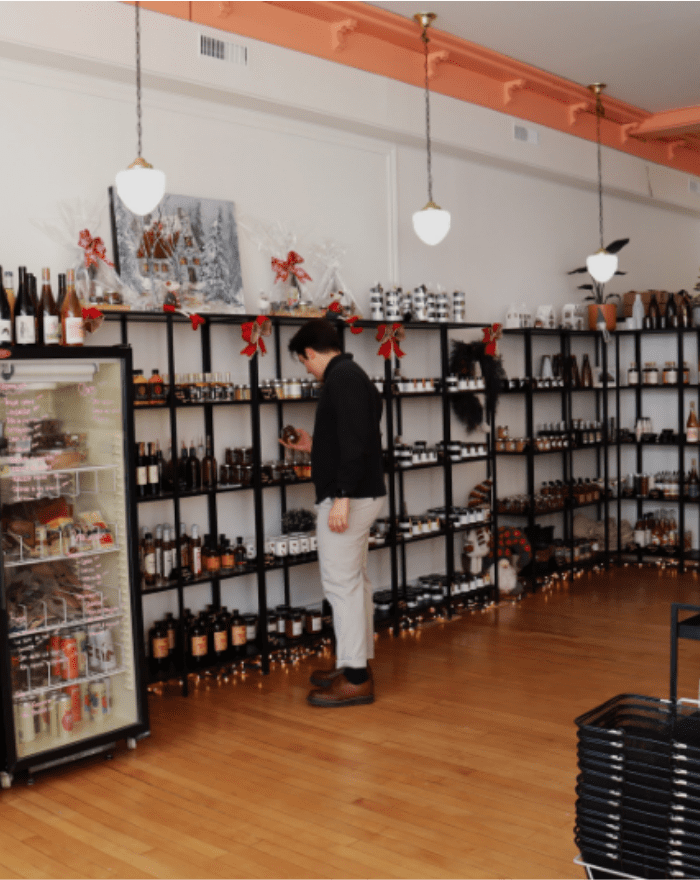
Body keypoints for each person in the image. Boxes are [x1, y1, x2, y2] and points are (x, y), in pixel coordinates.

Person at [282, 318, 386, 707]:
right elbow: (352, 436)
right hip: (359, 493)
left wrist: (342, 493)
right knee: (354, 583)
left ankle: (356, 678)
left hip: (350, 498)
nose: (307, 369)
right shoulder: (352, 375)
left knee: (341, 585)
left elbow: (356, 440)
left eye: (304, 362)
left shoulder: (342, 379)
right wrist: (315, 446)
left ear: (310, 352)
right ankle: (354, 664)